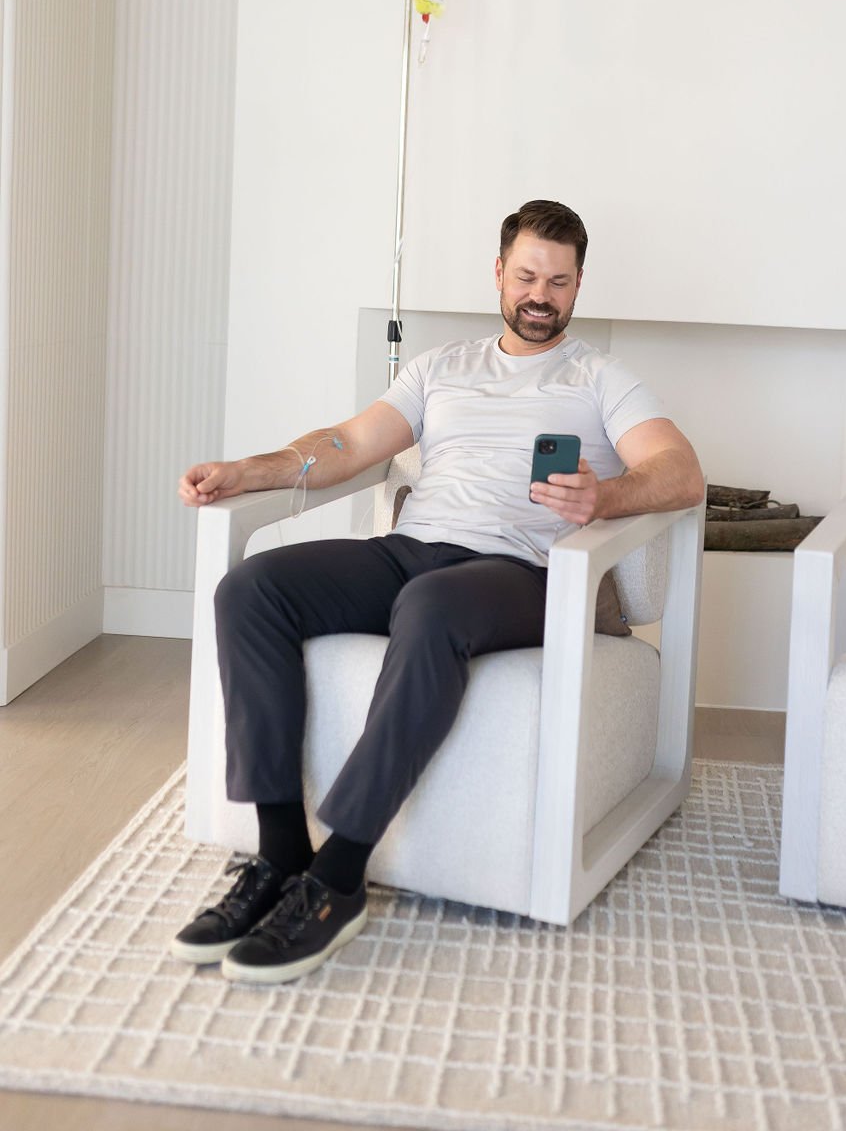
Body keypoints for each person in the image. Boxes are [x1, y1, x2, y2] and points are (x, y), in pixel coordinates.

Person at [171, 200, 703, 984]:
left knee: (432, 608)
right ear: (498, 272)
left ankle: (339, 875)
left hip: (520, 574)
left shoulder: (600, 377)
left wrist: (606, 498)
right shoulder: (439, 366)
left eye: (558, 281)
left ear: (579, 285)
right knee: (252, 588)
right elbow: (349, 444)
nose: (539, 294)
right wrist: (247, 470)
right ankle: (281, 851)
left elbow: (681, 472)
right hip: (411, 550)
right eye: (525, 275)